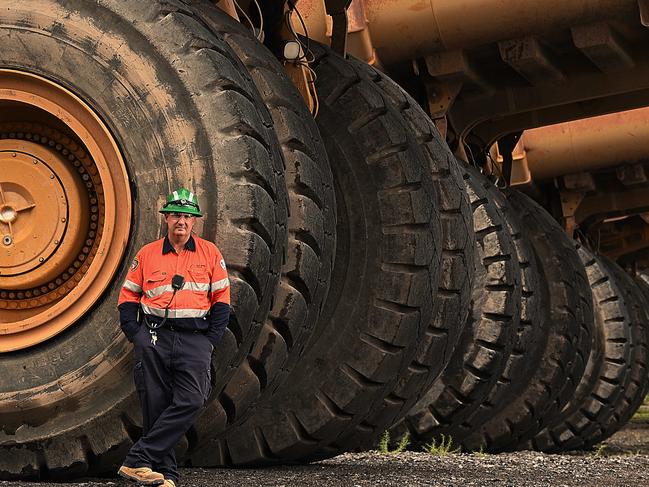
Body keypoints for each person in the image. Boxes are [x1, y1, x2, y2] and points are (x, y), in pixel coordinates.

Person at [116, 188, 230, 487]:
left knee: (192, 399)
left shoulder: (210, 253)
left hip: (195, 338)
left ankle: (137, 459)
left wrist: (210, 340)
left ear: (195, 222)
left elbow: (222, 300)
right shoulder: (147, 254)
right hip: (154, 337)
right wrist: (136, 334)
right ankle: (164, 475)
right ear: (166, 218)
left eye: (188, 217)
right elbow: (128, 296)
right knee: (155, 404)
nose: (182, 221)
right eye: (177, 215)